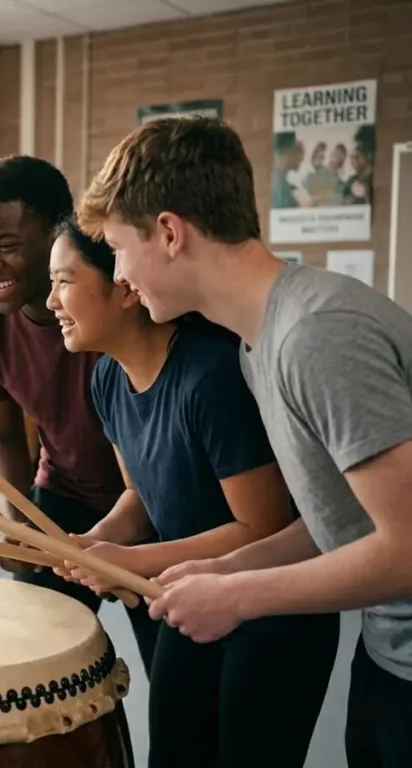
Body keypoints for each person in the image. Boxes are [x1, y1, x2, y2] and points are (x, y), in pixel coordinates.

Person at [76, 115, 412, 768]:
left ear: (170, 232)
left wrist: (239, 596)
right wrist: (226, 568)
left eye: (117, 247)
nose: (118, 274)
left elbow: (409, 547)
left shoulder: (317, 334)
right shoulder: (264, 341)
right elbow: (339, 522)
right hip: (389, 650)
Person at [45, 216, 338, 767]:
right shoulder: (106, 378)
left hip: (271, 613)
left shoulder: (211, 374)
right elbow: (141, 496)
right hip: (188, 597)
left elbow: (262, 527)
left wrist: (130, 560)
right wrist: (94, 541)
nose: (51, 300)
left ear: (125, 287)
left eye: (63, 280)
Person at [0, 156, 161, 665]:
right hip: (63, 495)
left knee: (174, 676)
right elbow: (3, 438)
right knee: (35, 664)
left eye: (6, 245)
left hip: (153, 501)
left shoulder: (119, 311)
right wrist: (15, 523)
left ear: (58, 235)